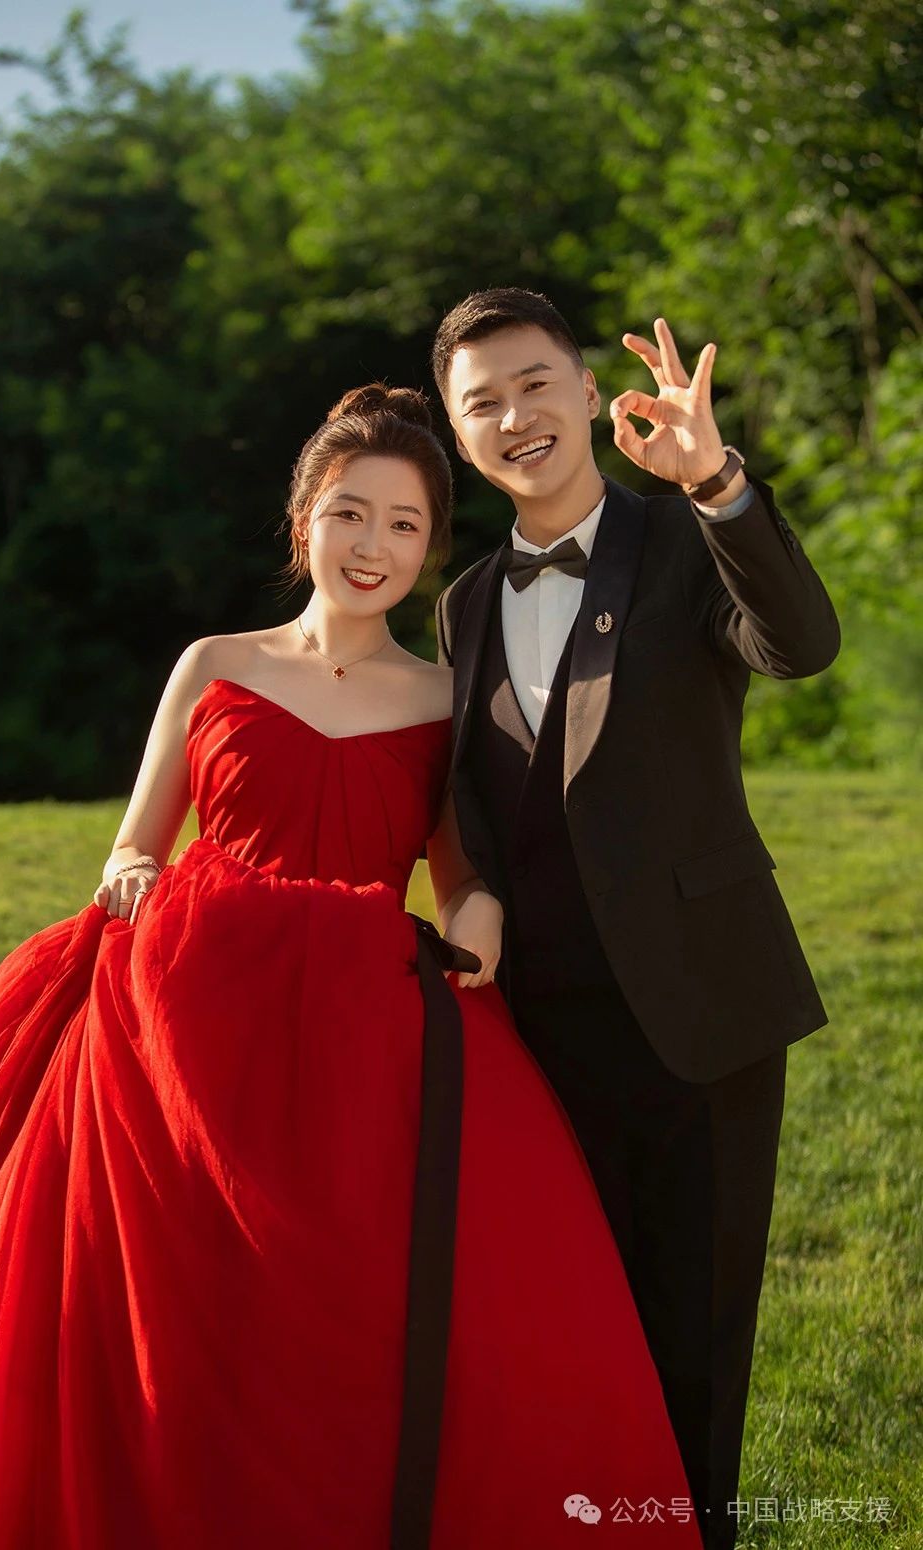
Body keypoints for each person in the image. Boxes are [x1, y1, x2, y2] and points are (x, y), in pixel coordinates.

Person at [0, 383, 704, 1549]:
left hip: (358, 1020)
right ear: (304, 523)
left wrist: (480, 912)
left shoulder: (445, 695)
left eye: (403, 523)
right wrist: (131, 875)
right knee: (147, 1277)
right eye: (349, 513)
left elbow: (460, 869)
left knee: (401, 1293)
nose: (372, 543)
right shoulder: (214, 663)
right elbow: (136, 842)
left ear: (429, 548)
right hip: (191, 1004)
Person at [429, 290, 841, 1550]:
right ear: (457, 433)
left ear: (585, 391)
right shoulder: (460, 601)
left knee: (696, 1348)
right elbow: (474, 806)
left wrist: (716, 482)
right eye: (482, 402)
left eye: (534, 384)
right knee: (568, 1339)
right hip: (540, 1036)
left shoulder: (682, 536)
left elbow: (799, 642)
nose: (515, 416)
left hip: (702, 1011)